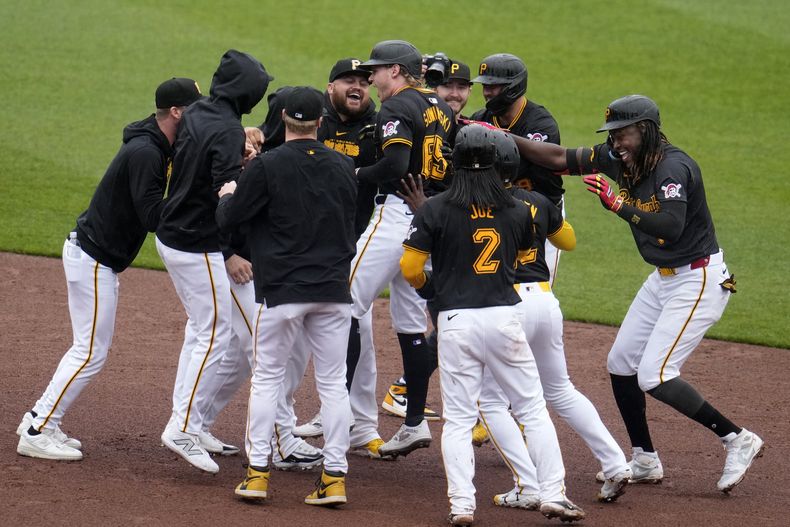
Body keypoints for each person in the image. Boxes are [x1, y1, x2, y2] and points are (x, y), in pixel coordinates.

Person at [511, 94, 764, 493]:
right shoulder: (620, 158)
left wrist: (616, 204)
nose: (615, 144)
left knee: (655, 375)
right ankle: (645, 458)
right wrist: (505, 139)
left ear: (644, 130)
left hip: (697, 278)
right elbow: (560, 158)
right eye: (611, 136)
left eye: (622, 134)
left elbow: (670, 226)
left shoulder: (673, 168)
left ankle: (737, 438)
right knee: (620, 363)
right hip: (663, 279)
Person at [399, 124, 583, 525]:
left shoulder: (435, 207)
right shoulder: (519, 209)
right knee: (533, 409)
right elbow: (518, 261)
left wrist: (433, 286)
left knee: (460, 419)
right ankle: (553, 494)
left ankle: (462, 505)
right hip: (504, 317)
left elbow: (410, 267)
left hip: (455, 321)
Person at [16, 78, 202, 461]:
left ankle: (37, 417)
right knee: (90, 352)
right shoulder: (147, 153)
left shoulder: (158, 143)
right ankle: (38, 429)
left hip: (92, 256)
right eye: (196, 109)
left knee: (88, 349)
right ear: (177, 112)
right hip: (94, 260)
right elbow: (153, 217)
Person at [473, 130, 632, 506]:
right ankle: (615, 463)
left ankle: (527, 486)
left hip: (507, 307)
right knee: (560, 390)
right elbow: (568, 242)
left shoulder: (472, 205)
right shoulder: (537, 201)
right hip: (544, 302)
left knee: (492, 402)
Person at [216, 86, 358, 506]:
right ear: (320, 121)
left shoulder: (267, 165)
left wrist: (227, 196)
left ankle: (257, 474)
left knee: (266, 379)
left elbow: (231, 220)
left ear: (280, 119)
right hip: (333, 289)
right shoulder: (344, 165)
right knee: (333, 384)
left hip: (283, 290)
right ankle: (334, 478)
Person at [155, 49, 272, 474]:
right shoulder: (225, 130)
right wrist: (251, 165)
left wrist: (240, 140)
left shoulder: (202, 110)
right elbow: (226, 200)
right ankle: (182, 425)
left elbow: (210, 153)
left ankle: (194, 421)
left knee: (207, 331)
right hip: (197, 242)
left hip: (175, 235)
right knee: (215, 333)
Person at [351, 39, 454, 458]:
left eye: (375, 71)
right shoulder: (442, 106)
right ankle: (412, 424)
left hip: (396, 215)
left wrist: (351, 170)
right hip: (427, 218)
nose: (371, 79)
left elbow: (394, 166)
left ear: (395, 70)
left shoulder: (397, 105)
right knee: (411, 323)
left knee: (343, 303)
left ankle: (341, 413)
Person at [290, 58, 395, 459]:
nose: (357, 87)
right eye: (347, 80)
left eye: (363, 81)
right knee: (294, 339)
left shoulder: (378, 125)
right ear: (329, 86)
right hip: (303, 245)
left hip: (351, 247)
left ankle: (362, 424)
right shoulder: (311, 117)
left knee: (360, 332)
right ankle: (305, 418)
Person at [470, 53, 564, 285]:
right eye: (485, 86)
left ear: (514, 86)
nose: (487, 92)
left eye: (494, 86)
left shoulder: (540, 123)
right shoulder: (481, 118)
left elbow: (514, 165)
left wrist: (491, 137)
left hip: (544, 217)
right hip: (500, 213)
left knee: (537, 286)